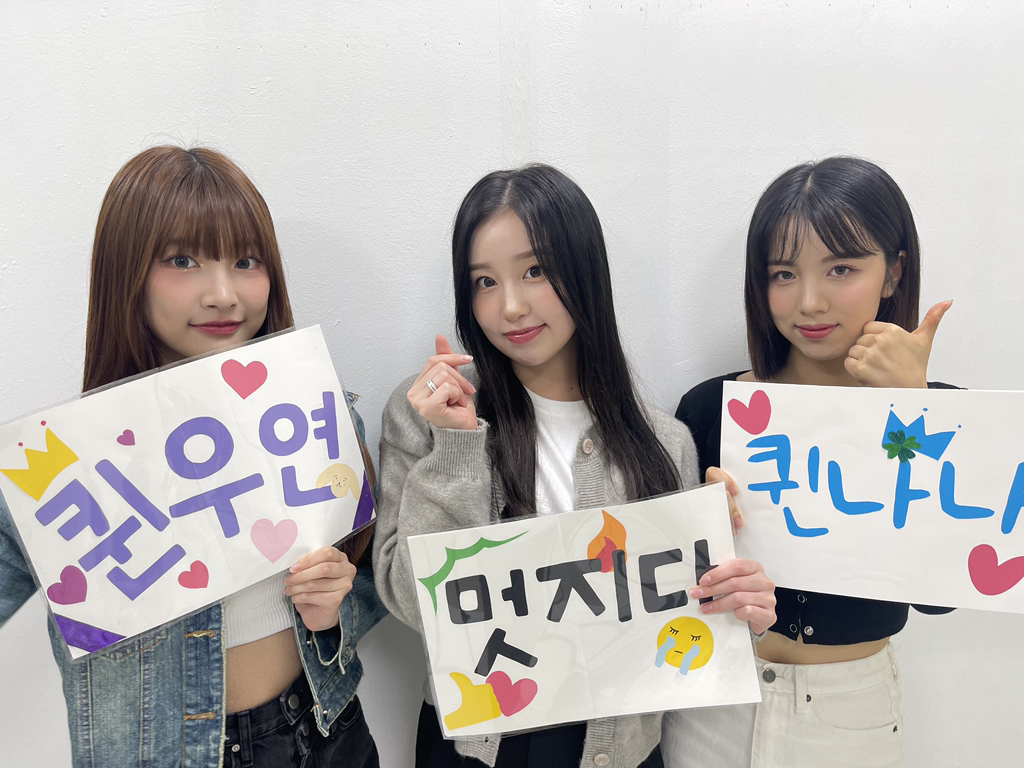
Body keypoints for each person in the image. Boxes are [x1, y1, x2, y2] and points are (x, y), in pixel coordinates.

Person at [374, 164, 777, 768]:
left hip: (616, 746)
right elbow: (412, 604)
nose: (510, 306)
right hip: (478, 744)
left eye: (535, 271)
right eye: (484, 282)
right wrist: (455, 448)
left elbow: (674, 622)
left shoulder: (665, 441)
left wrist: (737, 603)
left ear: (584, 270)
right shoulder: (429, 413)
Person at [0, 146, 386, 768]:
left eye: (246, 261)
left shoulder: (318, 418)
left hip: (323, 734)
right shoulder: (58, 468)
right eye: (183, 261)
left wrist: (334, 610)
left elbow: (373, 577)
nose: (223, 294)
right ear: (127, 273)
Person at [666, 156, 955, 768]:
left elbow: (943, 597)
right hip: (712, 695)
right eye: (783, 274)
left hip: (850, 710)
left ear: (893, 272)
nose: (810, 301)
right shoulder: (711, 410)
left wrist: (912, 411)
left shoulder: (939, 417)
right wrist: (703, 531)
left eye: (841, 268)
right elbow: (663, 585)